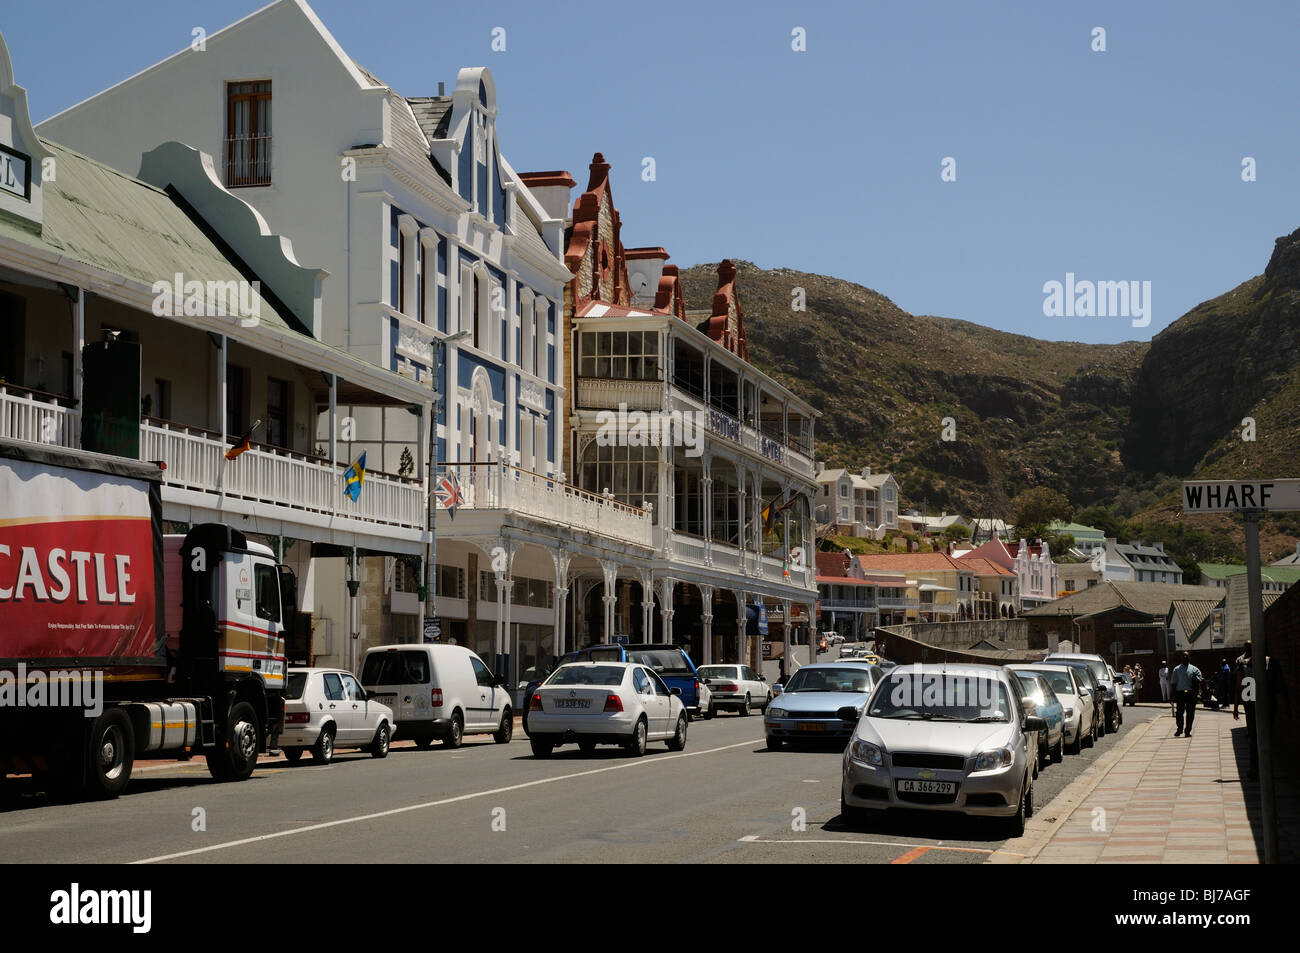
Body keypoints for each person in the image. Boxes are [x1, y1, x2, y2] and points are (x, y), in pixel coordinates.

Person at [1233, 643, 1258, 781]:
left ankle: (1256, 768)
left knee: (1254, 738)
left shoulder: (1244, 665)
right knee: (1253, 738)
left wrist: (1236, 707)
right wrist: (1236, 707)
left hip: (1255, 704)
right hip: (1250, 705)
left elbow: (1238, 687)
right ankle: (1255, 768)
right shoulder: (1242, 664)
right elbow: (1238, 688)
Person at [1170, 652, 1202, 738]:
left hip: (1191, 693)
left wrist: (1198, 691)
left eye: (1186, 655)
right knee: (1179, 713)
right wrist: (1172, 696)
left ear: (1189, 657)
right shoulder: (1176, 669)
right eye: (1183, 655)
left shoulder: (1195, 669)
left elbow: (1199, 681)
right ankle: (1179, 729)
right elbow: (1173, 683)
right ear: (1181, 658)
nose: (1185, 657)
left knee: (1190, 713)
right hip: (1180, 693)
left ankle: (1187, 731)